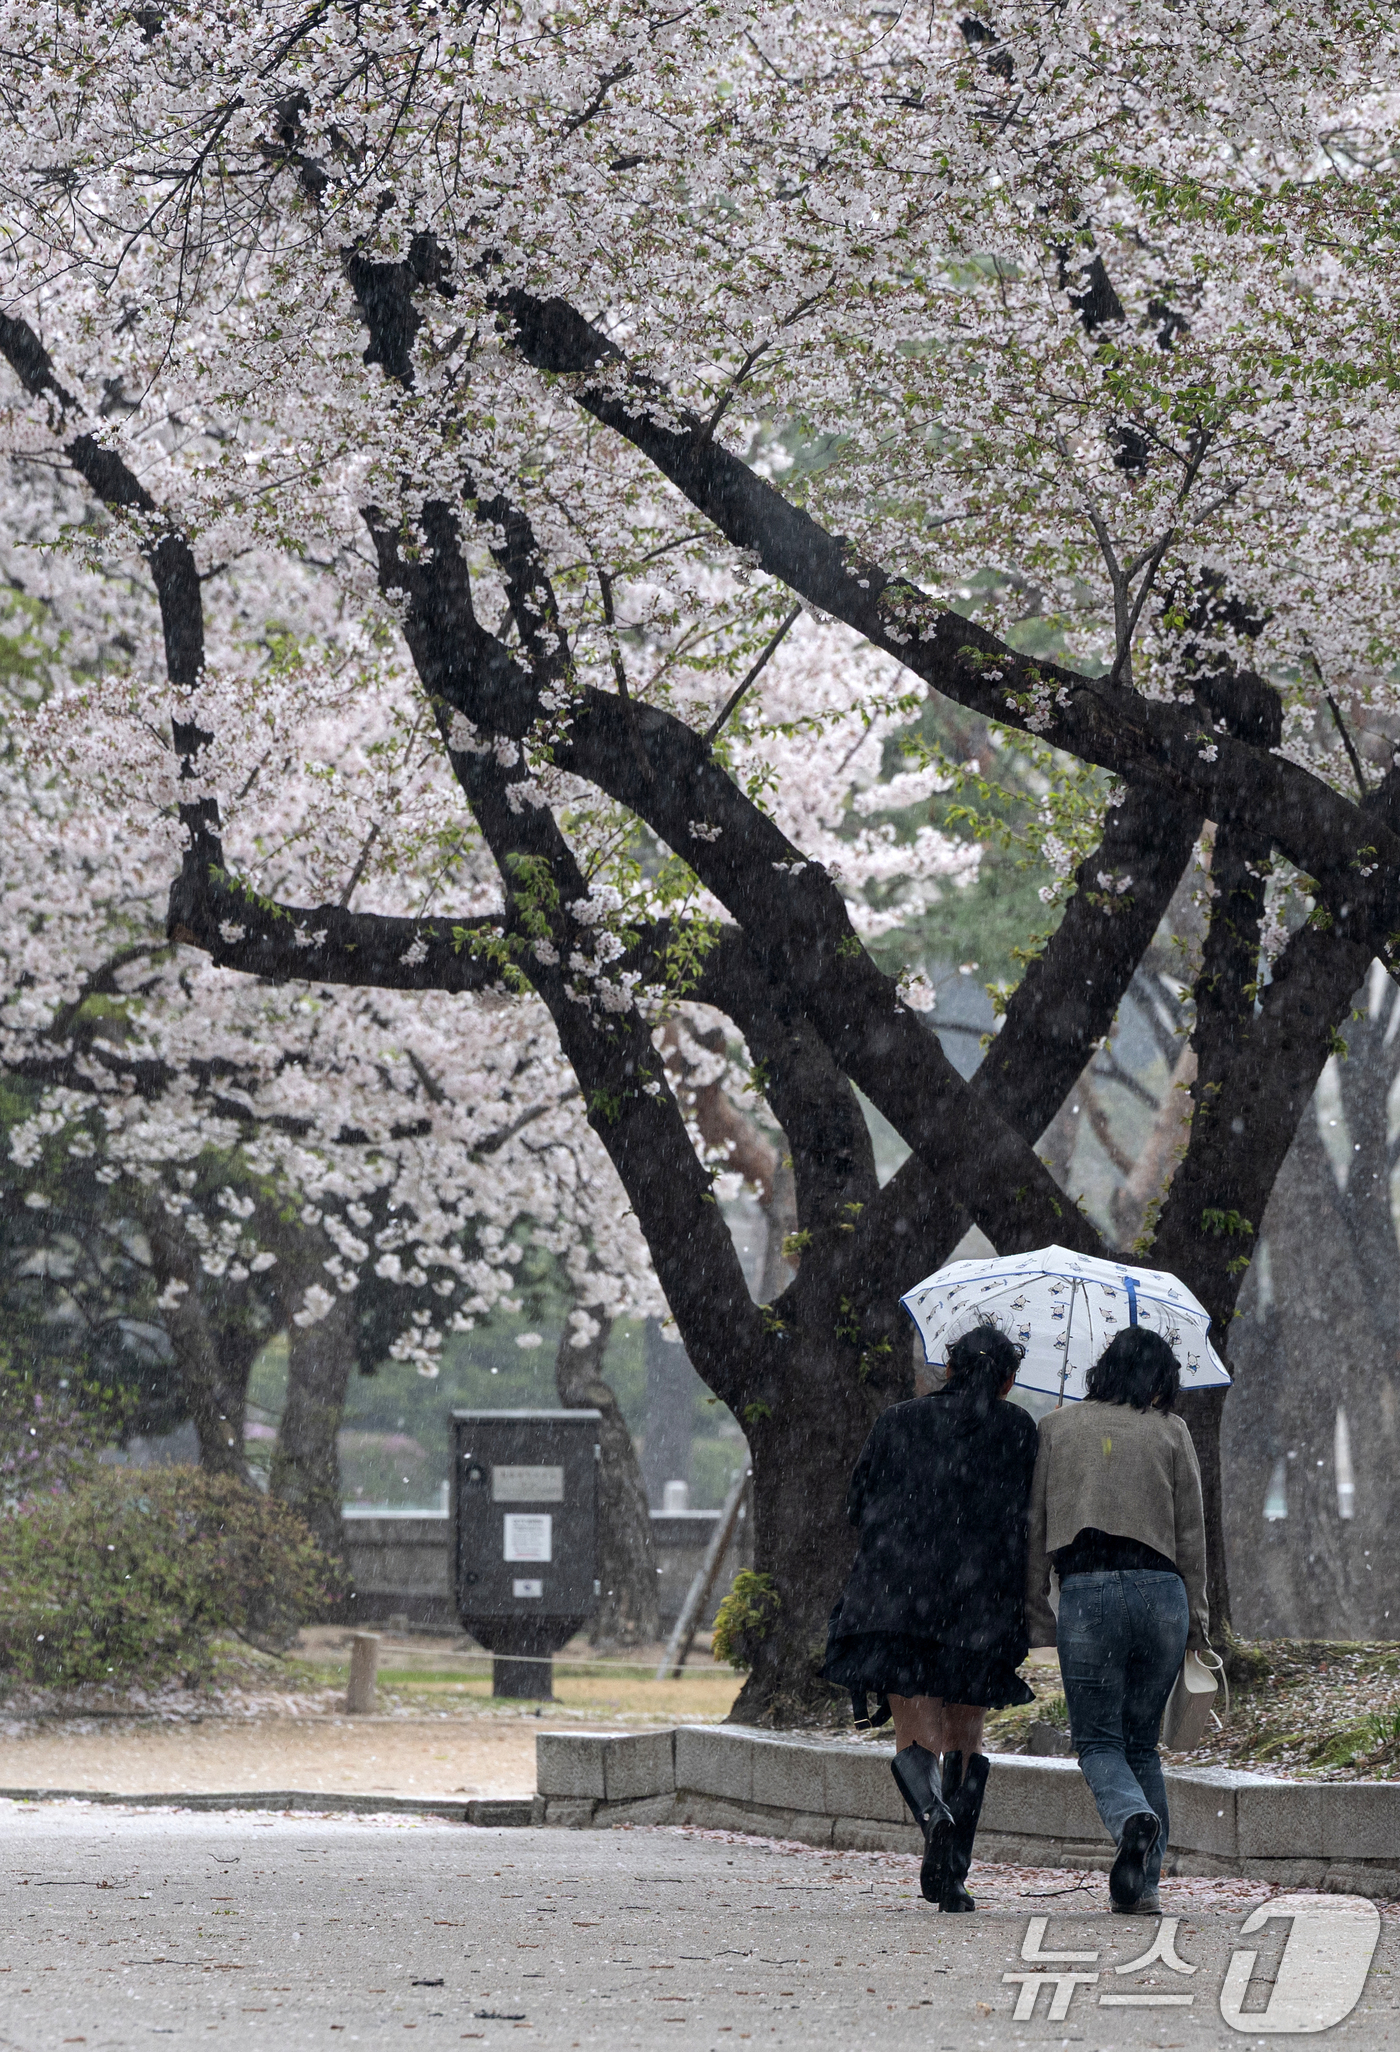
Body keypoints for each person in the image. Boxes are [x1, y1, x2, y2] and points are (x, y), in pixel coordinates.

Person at [823, 1322, 1038, 1910]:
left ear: (948, 1369)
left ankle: (933, 1815)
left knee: (916, 1731)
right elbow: (1028, 1513)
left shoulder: (897, 1421)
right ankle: (953, 1878)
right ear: (1008, 1381)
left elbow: (856, 1505)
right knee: (965, 1734)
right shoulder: (1018, 1428)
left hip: (899, 1599)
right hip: (981, 1607)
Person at [1025, 1326, 1209, 1916]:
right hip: (1162, 1595)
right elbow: (1192, 1537)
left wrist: (1035, 1611)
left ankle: (1132, 1819)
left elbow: (1035, 1525)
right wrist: (1198, 1624)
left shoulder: (1056, 1428)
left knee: (1098, 1742)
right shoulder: (1172, 1431)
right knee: (1141, 1745)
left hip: (1089, 1592)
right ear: (1160, 1379)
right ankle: (1143, 1888)